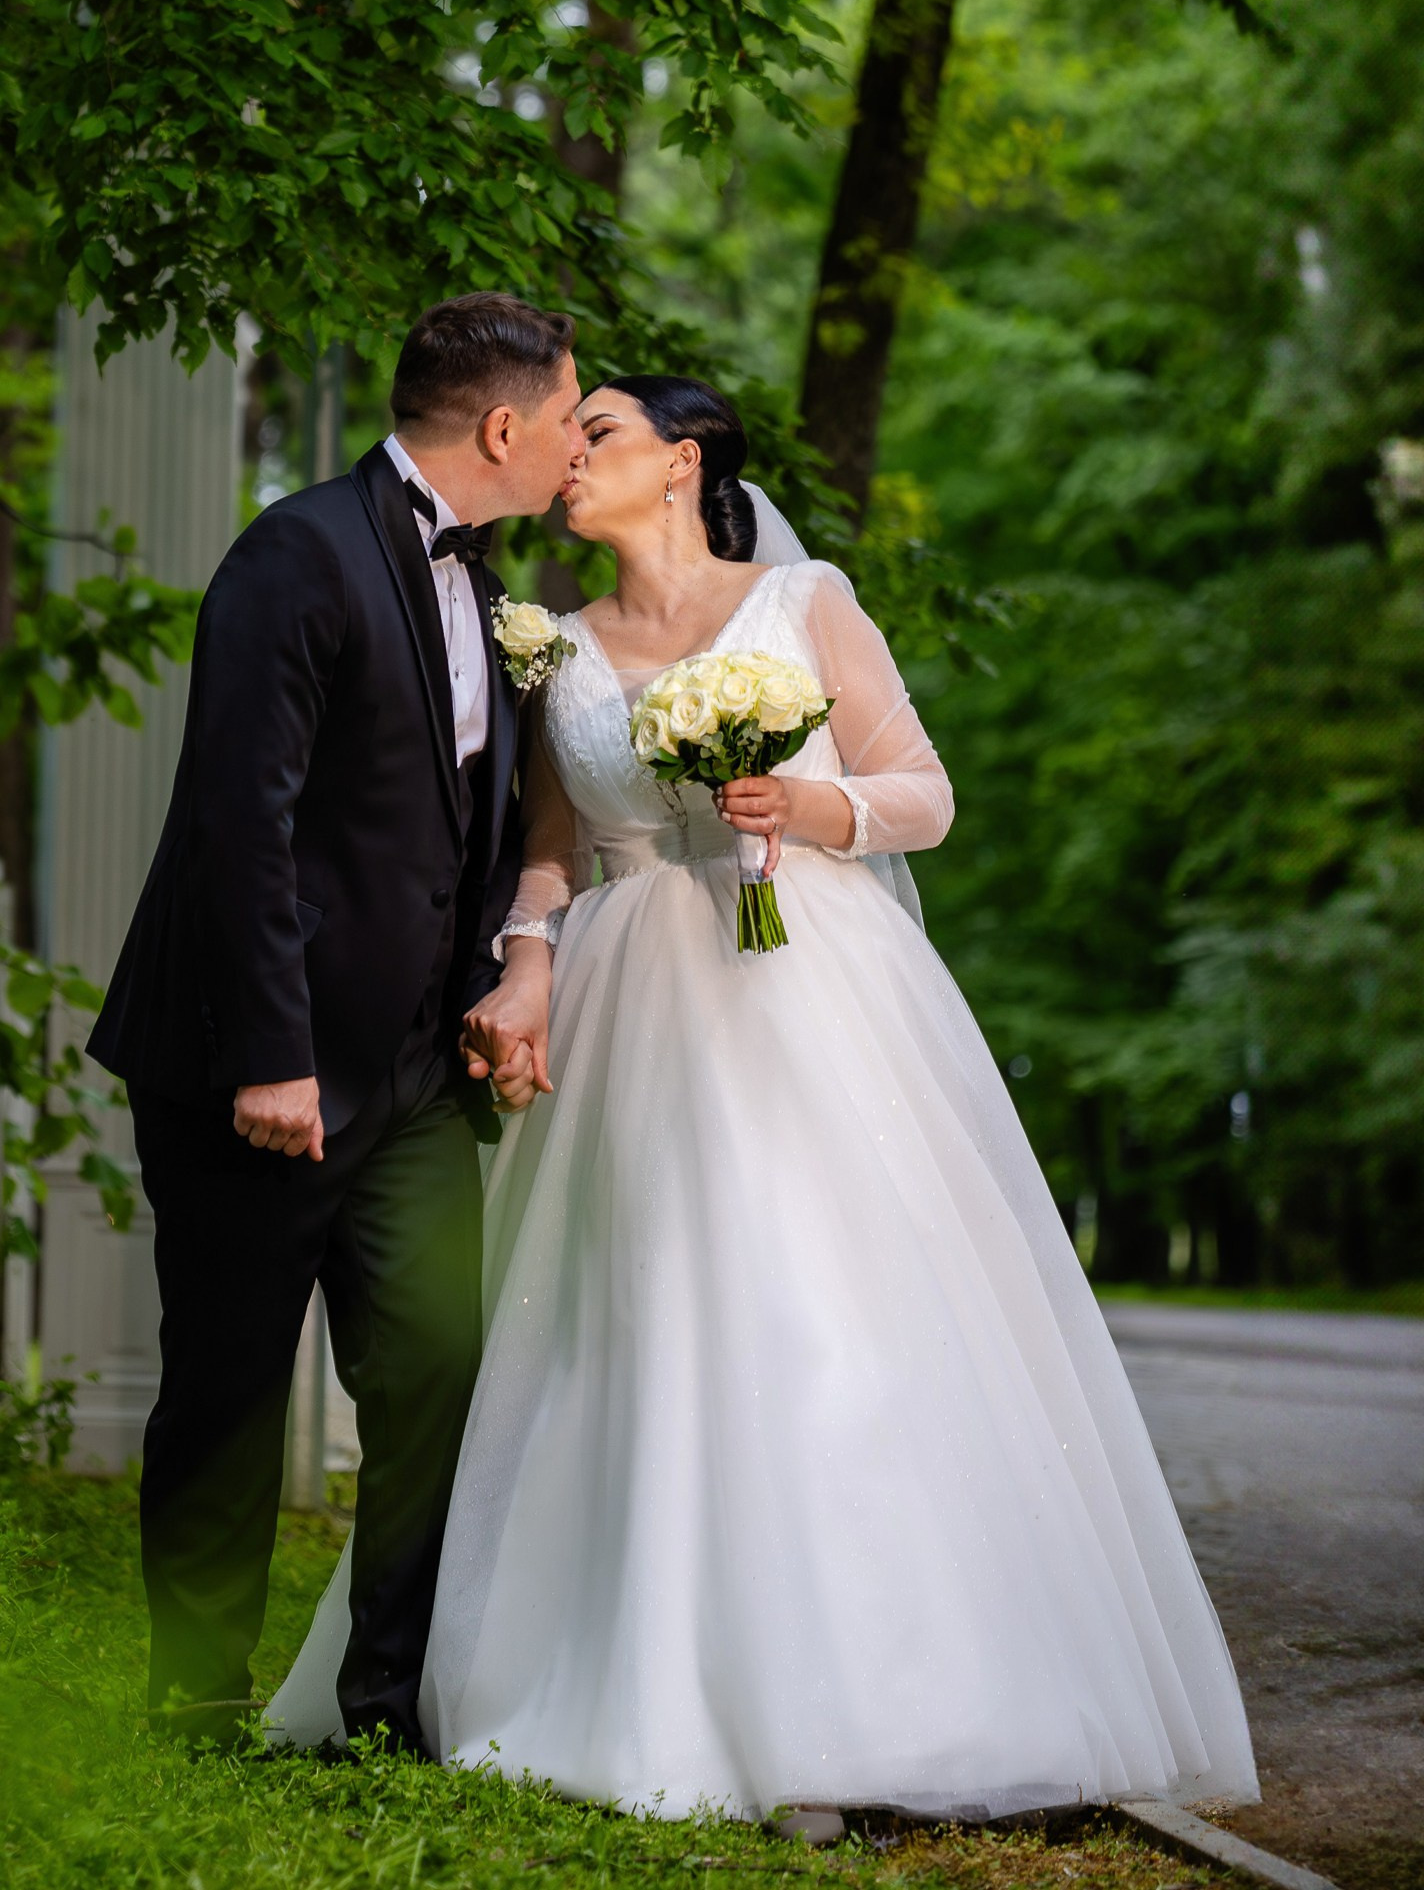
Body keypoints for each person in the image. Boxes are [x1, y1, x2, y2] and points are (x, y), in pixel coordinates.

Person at [271, 374, 1259, 1823]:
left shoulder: (803, 602)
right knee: (633, 1320)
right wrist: (529, 958)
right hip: (626, 1007)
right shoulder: (560, 650)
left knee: (818, 1311)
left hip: (808, 988)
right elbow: (548, 847)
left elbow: (925, 789)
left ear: (683, 461)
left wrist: (813, 808)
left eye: (597, 432)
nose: (568, 457)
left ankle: (868, 1696)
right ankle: (633, 1669)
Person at [89, 294, 584, 1750]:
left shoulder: (496, 594)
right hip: (261, 1068)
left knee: (438, 1371)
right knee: (230, 1392)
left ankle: (387, 1707)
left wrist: (506, 967)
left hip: (418, 1078)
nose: (571, 446)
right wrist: (272, 1054)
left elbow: (469, 821)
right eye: (566, 419)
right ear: (503, 425)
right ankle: (196, 1701)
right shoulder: (292, 556)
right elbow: (239, 821)